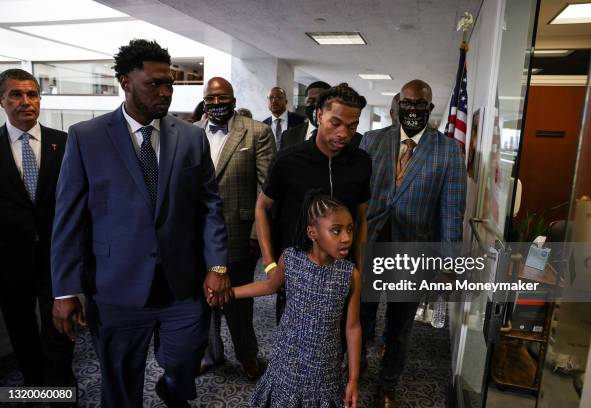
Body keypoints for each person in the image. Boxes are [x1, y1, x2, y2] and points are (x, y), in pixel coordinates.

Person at [50, 39, 231, 408]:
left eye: (170, 83)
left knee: (184, 366)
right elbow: (69, 218)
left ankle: (171, 386)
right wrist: (65, 290)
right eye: (154, 84)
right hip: (116, 289)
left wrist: (218, 264)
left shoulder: (191, 138)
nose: (165, 91)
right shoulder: (86, 137)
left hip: (181, 285)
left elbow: (210, 207)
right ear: (125, 82)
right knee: (120, 386)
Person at [359, 79, 466, 407]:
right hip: (370, 247)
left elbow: (451, 210)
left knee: (400, 326)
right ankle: (358, 361)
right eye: (407, 103)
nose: (413, 110)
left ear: (430, 109)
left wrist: (449, 263)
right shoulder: (371, 141)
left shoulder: (448, 150)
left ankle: (388, 385)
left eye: (421, 105)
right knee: (361, 316)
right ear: (397, 105)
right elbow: (356, 197)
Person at [256, 83, 371, 323]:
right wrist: (269, 265)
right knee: (291, 340)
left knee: (334, 342)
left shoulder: (361, 162)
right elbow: (262, 208)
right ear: (319, 115)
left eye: (352, 126)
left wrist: (360, 269)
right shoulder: (287, 160)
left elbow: (361, 218)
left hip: (340, 271)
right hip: (295, 271)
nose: (343, 134)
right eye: (335, 123)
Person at [234, 193, 361, 407]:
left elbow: (353, 327)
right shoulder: (291, 259)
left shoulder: (349, 274)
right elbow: (269, 285)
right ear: (312, 232)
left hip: (325, 367)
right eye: (336, 230)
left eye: (349, 229)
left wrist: (353, 379)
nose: (346, 237)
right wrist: (231, 292)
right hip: (288, 360)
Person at [194, 76, 275, 380]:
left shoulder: (257, 132)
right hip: (198, 236)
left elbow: (266, 189)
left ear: (233, 98)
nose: (216, 103)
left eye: (222, 97)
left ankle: (247, 356)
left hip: (239, 235)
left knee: (238, 305)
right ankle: (210, 353)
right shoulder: (192, 132)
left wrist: (258, 233)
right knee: (204, 301)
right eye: (211, 98)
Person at [0, 69, 75, 392]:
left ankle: (61, 388)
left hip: (57, 259)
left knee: (61, 330)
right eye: (16, 94)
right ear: (2, 100)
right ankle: (33, 385)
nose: (25, 102)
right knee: (21, 330)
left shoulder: (67, 144)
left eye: (32, 94)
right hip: (9, 261)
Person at [279, 80, 330, 149]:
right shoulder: (288, 136)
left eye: (321, 102)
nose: (316, 105)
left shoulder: (340, 136)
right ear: (305, 103)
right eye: (311, 101)